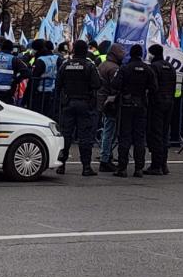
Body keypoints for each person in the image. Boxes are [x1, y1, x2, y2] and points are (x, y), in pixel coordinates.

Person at [55, 39, 101, 176]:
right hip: (85, 104)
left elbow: (58, 85)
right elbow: (97, 84)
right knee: (85, 136)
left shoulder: (65, 65)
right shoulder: (89, 65)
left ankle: (61, 165)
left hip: (68, 103)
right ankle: (86, 167)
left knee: (66, 135)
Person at [111, 45, 157, 178]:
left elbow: (115, 84)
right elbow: (154, 87)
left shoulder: (125, 68)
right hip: (141, 104)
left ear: (130, 54)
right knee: (139, 137)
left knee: (124, 136)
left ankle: (122, 168)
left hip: (126, 105)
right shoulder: (147, 69)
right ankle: (138, 168)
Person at [146, 43, 176, 175]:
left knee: (156, 133)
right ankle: (164, 164)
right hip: (169, 102)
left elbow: (152, 86)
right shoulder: (170, 67)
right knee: (165, 133)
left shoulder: (154, 67)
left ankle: (156, 165)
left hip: (156, 103)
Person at [97, 43, 126, 172]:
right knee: (109, 131)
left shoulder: (103, 65)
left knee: (107, 130)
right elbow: (116, 86)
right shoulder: (114, 68)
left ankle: (107, 155)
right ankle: (105, 158)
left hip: (102, 100)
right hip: (110, 102)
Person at [0, 39, 30, 104]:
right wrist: (16, 80)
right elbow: (27, 73)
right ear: (11, 49)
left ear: (1, 48)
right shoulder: (14, 59)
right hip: (6, 93)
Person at [30, 39, 59, 119]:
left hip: (40, 93)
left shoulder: (40, 60)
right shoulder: (57, 58)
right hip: (53, 91)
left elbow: (34, 80)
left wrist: (28, 97)